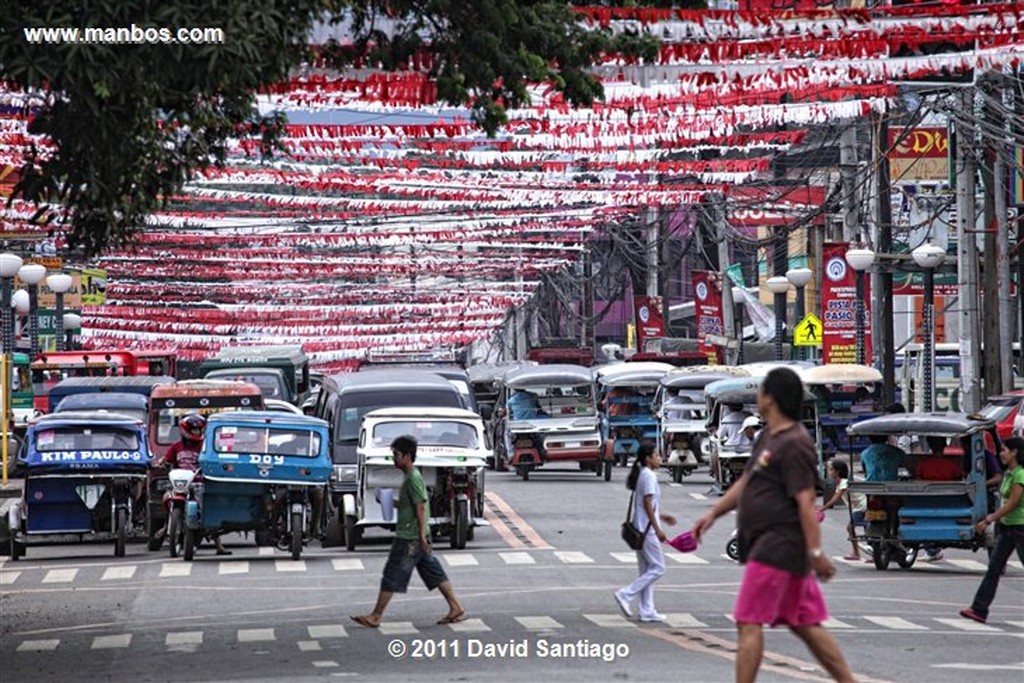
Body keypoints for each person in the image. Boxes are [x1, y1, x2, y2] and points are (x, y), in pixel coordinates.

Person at [693, 368, 854, 683]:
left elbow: (805, 502)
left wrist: (817, 551)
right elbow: (749, 481)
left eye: (762, 391)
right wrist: (713, 513)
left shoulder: (795, 442)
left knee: (748, 621)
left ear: (772, 397)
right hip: (773, 544)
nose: (758, 397)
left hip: (779, 545)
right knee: (805, 623)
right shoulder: (769, 436)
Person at [351, 435, 465, 628]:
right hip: (415, 535)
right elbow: (411, 505)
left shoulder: (413, 478)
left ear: (407, 456)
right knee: (433, 572)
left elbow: (420, 507)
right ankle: (456, 607)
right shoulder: (411, 477)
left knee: (392, 574)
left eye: (396, 454)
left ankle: (376, 616)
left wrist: (420, 536)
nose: (394, 458)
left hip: (410, 537)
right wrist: (389, 502)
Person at [960, 437, 1024, 624]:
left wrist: (989, 519)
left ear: (1014, 453)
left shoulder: (1020, 474)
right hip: (1006, 528)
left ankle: (979, 608)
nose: (1000, 453)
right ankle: (979, 609)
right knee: (993, 570)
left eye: (1004, 450)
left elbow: (1013, 503)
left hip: (1020, 528)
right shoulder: (1010, 473)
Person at [614, 441, 677, 623]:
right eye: (656, 455)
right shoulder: (649, 475)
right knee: (658, 568)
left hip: (641, 527)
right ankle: (626, 593)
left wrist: (662, 516)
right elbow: (648, 503)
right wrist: (658, 530)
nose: (659, 458)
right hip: (647, 530)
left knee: (646, 570)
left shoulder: (643, 473)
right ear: (648, 458)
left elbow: (647, 504)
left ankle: (646, 610)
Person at [154, 413, 231, 555]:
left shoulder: (205, 446)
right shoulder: (176, 447)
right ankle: (167, 528)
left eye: (199, 430)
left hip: (199, 483)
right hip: (180, 484)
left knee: (207, 510)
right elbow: (166, 459)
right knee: (167, 498)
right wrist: (160, 463)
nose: (197, 432)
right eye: (194, 430)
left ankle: (218, 545)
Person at [819, 460, 867, 562]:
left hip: (861, 507)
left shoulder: (844, 483)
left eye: (831, 469)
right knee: (858, 528)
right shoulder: (841, 483)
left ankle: (858, 553)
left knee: (851, 528)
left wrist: (822, 509)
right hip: (858, 507)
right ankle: (858, 552)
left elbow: (835, 499)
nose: (829, 472)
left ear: (837, 471)